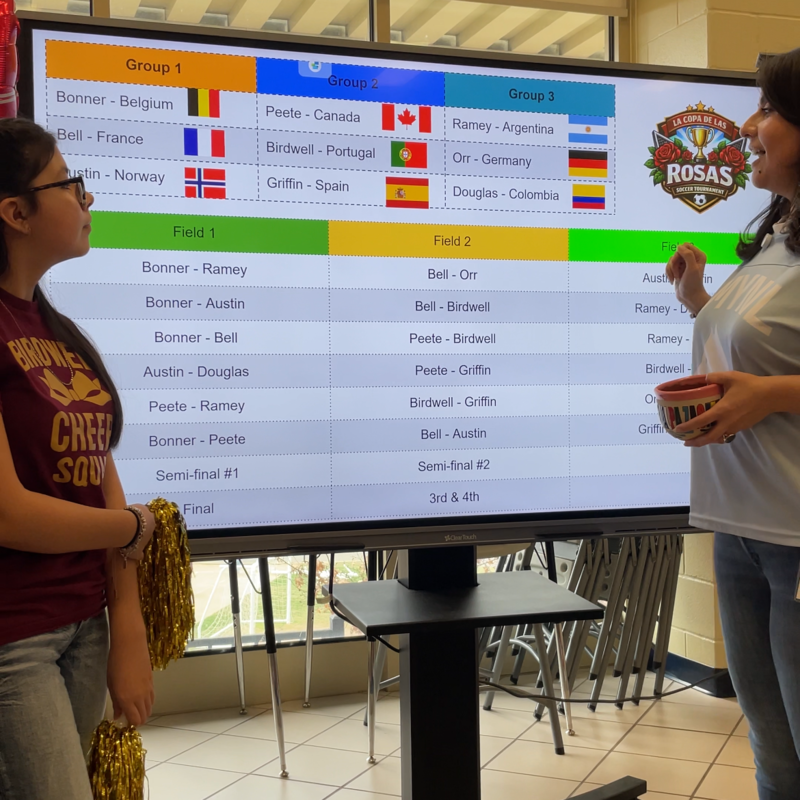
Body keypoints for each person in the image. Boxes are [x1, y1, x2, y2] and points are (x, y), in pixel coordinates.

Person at [0, 118, 156, 800]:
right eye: (70, 184)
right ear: (14, 212)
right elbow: (10, 515)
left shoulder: (55, 330)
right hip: (14, 638)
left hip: (84, 623)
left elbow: (99, 483)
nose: (87, 200)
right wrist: (132, 528)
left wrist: (127, 626)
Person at [665, 48, 800, 800]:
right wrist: (699, 300)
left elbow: (774, 378)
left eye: (770, 111)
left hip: (795, 539)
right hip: (743, 532)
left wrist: (773, 394)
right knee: (773, 752)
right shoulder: (781, 235)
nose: (751, 126)